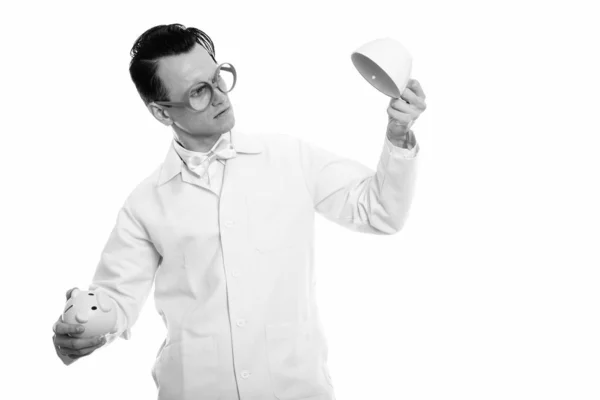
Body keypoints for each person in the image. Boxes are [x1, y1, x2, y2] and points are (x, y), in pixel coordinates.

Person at [51, 23, 427, 400]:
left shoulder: (290, 158)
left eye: (218, 78)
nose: (219, 97)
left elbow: (381, 212)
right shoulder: (144, 203)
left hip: (296, 389)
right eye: (199, 91)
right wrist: (86, 327)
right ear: (162, 113)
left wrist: (397, 137)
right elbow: (116, 298)